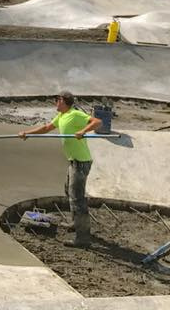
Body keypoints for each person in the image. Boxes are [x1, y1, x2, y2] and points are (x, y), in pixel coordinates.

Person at [18, 91, 101, 248]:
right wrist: (27, 133)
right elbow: (46, 127)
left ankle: (82, 238)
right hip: (73, 161)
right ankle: (75, 223)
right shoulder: (61, 116)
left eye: (57, 100)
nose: (55, 103)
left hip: (81, 162)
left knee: (77, 199)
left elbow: (97, 122)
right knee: (68, 191)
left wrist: (83, 131)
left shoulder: (75, 114)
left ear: (63, 101)